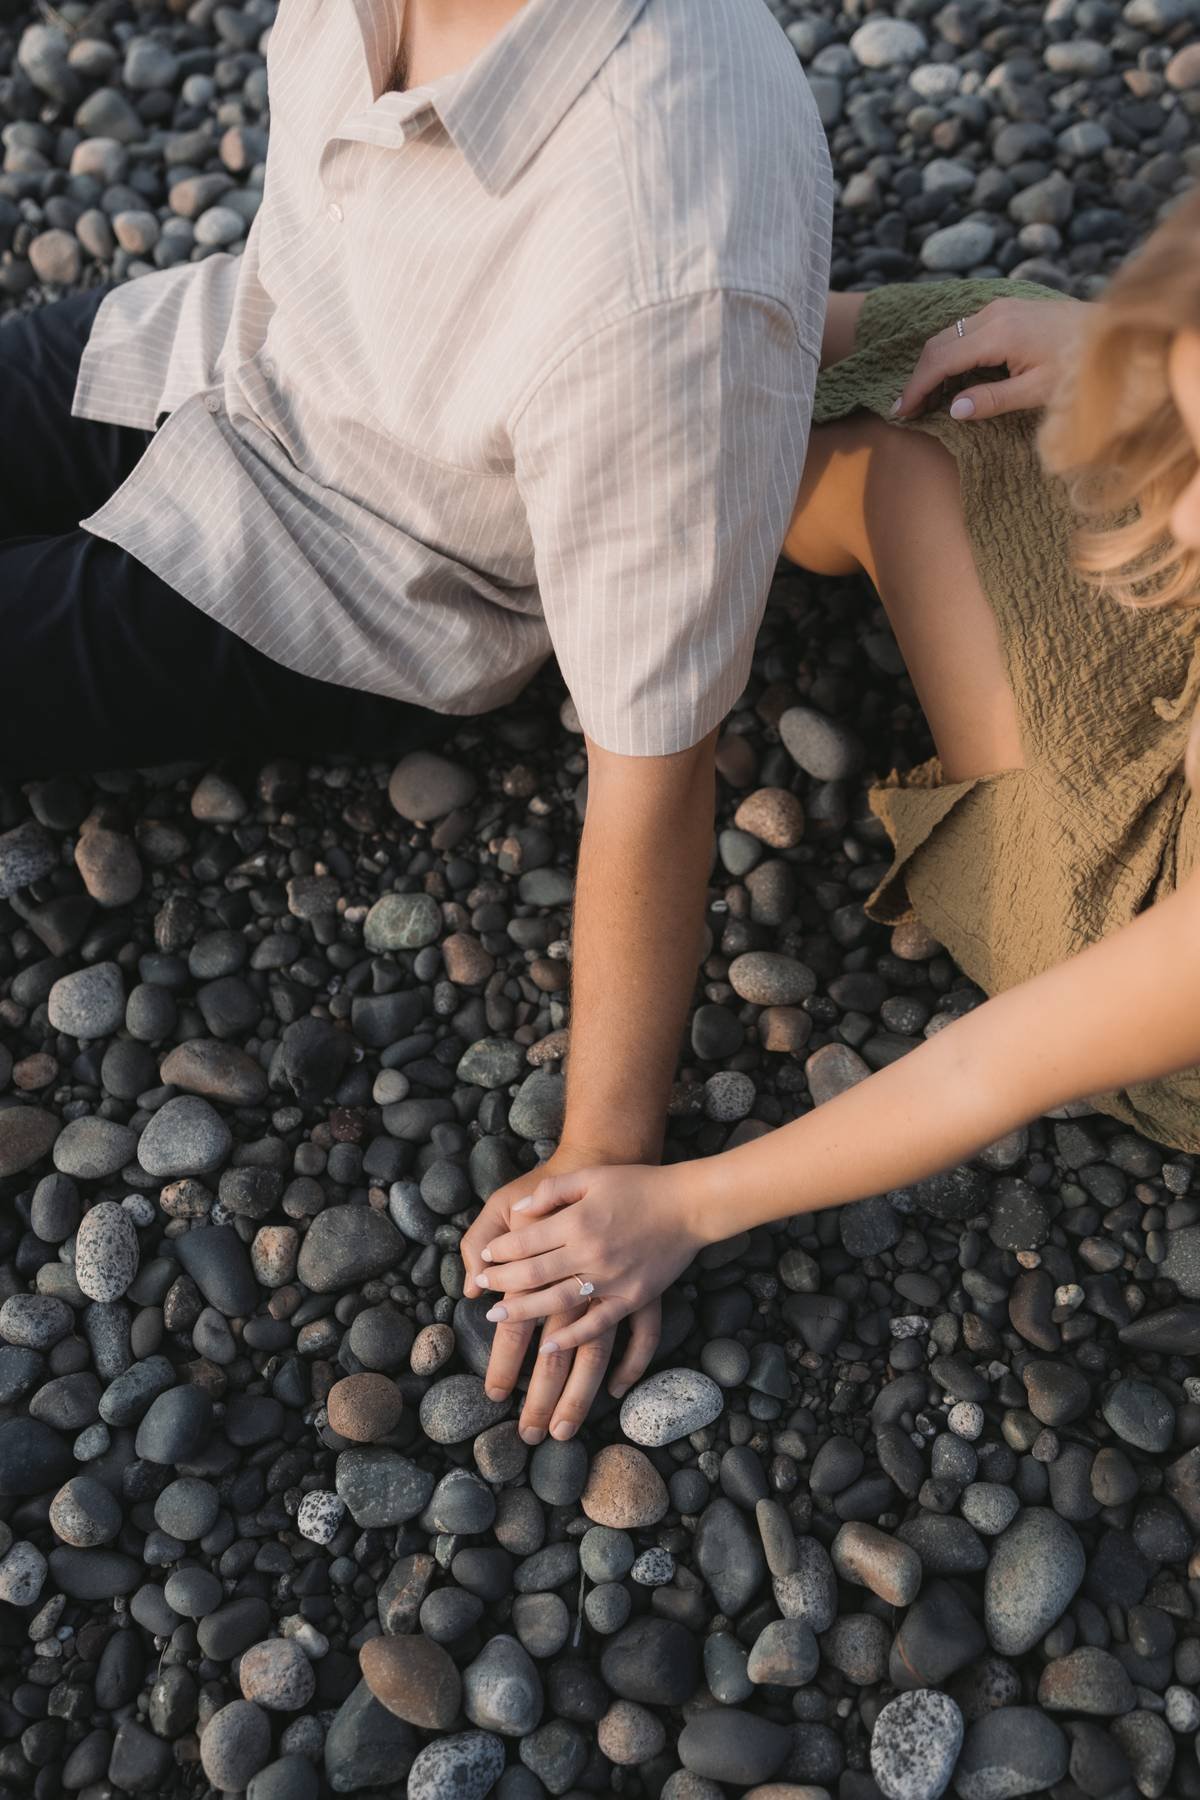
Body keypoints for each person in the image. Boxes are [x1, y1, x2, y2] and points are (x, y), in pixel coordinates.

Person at [0, 0, 833, 1444]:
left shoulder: (655, 254)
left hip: (348, 568)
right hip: (220, 344)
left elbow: (655, 764)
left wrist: (608, 1158)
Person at [464, 189, 1200, 1423]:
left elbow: (989, 1071)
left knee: (900, 470)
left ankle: (545, 500)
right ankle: (627, 344)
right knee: (977, 349)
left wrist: (681, 1206)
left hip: (1131, 916)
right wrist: (1118, 349)